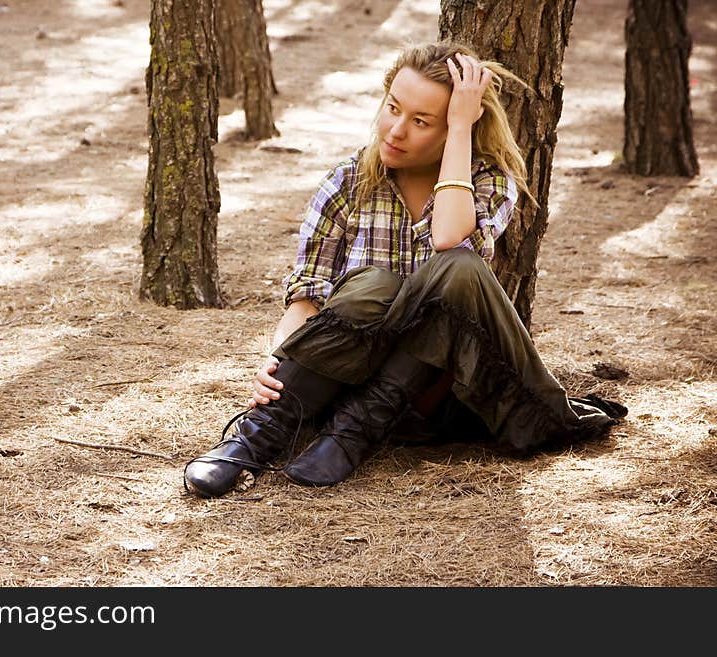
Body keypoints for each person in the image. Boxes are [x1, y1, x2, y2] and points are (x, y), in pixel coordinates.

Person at [183, 40, 626, 499]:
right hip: (348, 380)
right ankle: (257, 437)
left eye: (421, 121)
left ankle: (352, 433)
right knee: (374, 285)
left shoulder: (489, 183)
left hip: (439, 394)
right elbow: (307, 295)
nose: (396, 130)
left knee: (458, 268)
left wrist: (459, 129)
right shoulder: (347, 181)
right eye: (393, 108)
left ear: (456, 126)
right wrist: (280, 360)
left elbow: (449, 237)